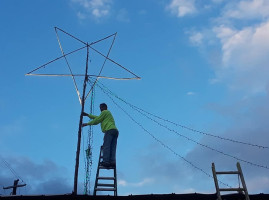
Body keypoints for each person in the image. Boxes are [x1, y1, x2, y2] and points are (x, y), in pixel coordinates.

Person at [82, 103, 119, 167]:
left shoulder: (105, 112)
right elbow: (97, 117)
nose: (100, 109)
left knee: (106, 146)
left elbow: (97, 120)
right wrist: (88, 115)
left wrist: (87, 124)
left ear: (105, 107)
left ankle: (106, 161)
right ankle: (112, 161)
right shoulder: (106, 114)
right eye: (100, 108)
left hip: (109, 130)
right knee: (112, 147)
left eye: (101, 107)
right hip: (115, 131)